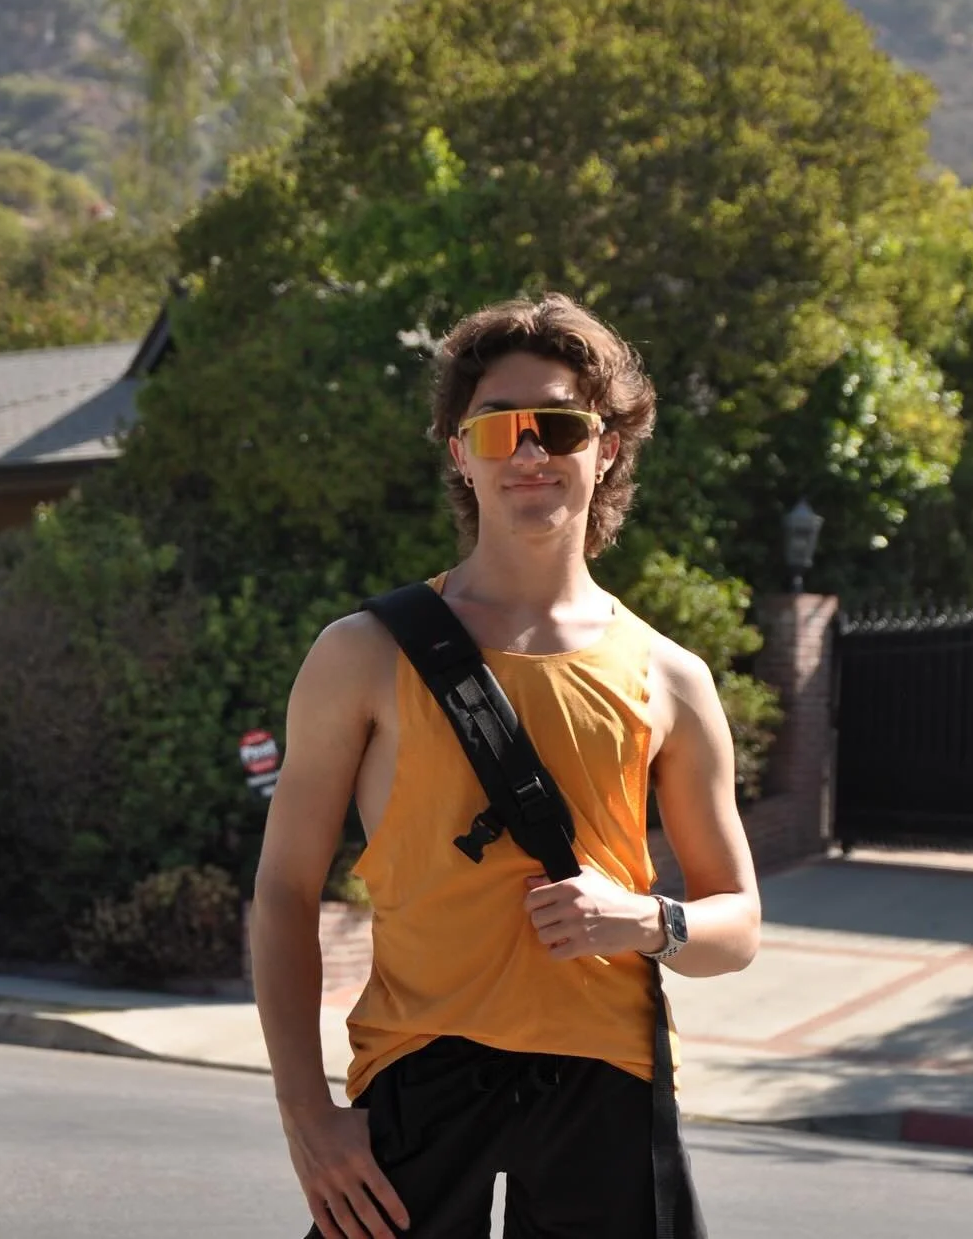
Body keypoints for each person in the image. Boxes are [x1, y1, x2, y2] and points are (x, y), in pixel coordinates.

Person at [250, 294, 761, 1238]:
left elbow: (739, 923)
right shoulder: (362, 653)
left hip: (609, 1086)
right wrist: (306, 1116)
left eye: (559, 426)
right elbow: (283, 891)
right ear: (461, 452)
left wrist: (645, 918)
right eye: (498, 427)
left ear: (605, 448)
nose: (529, 451)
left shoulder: (671, 677)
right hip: (418, 1075)